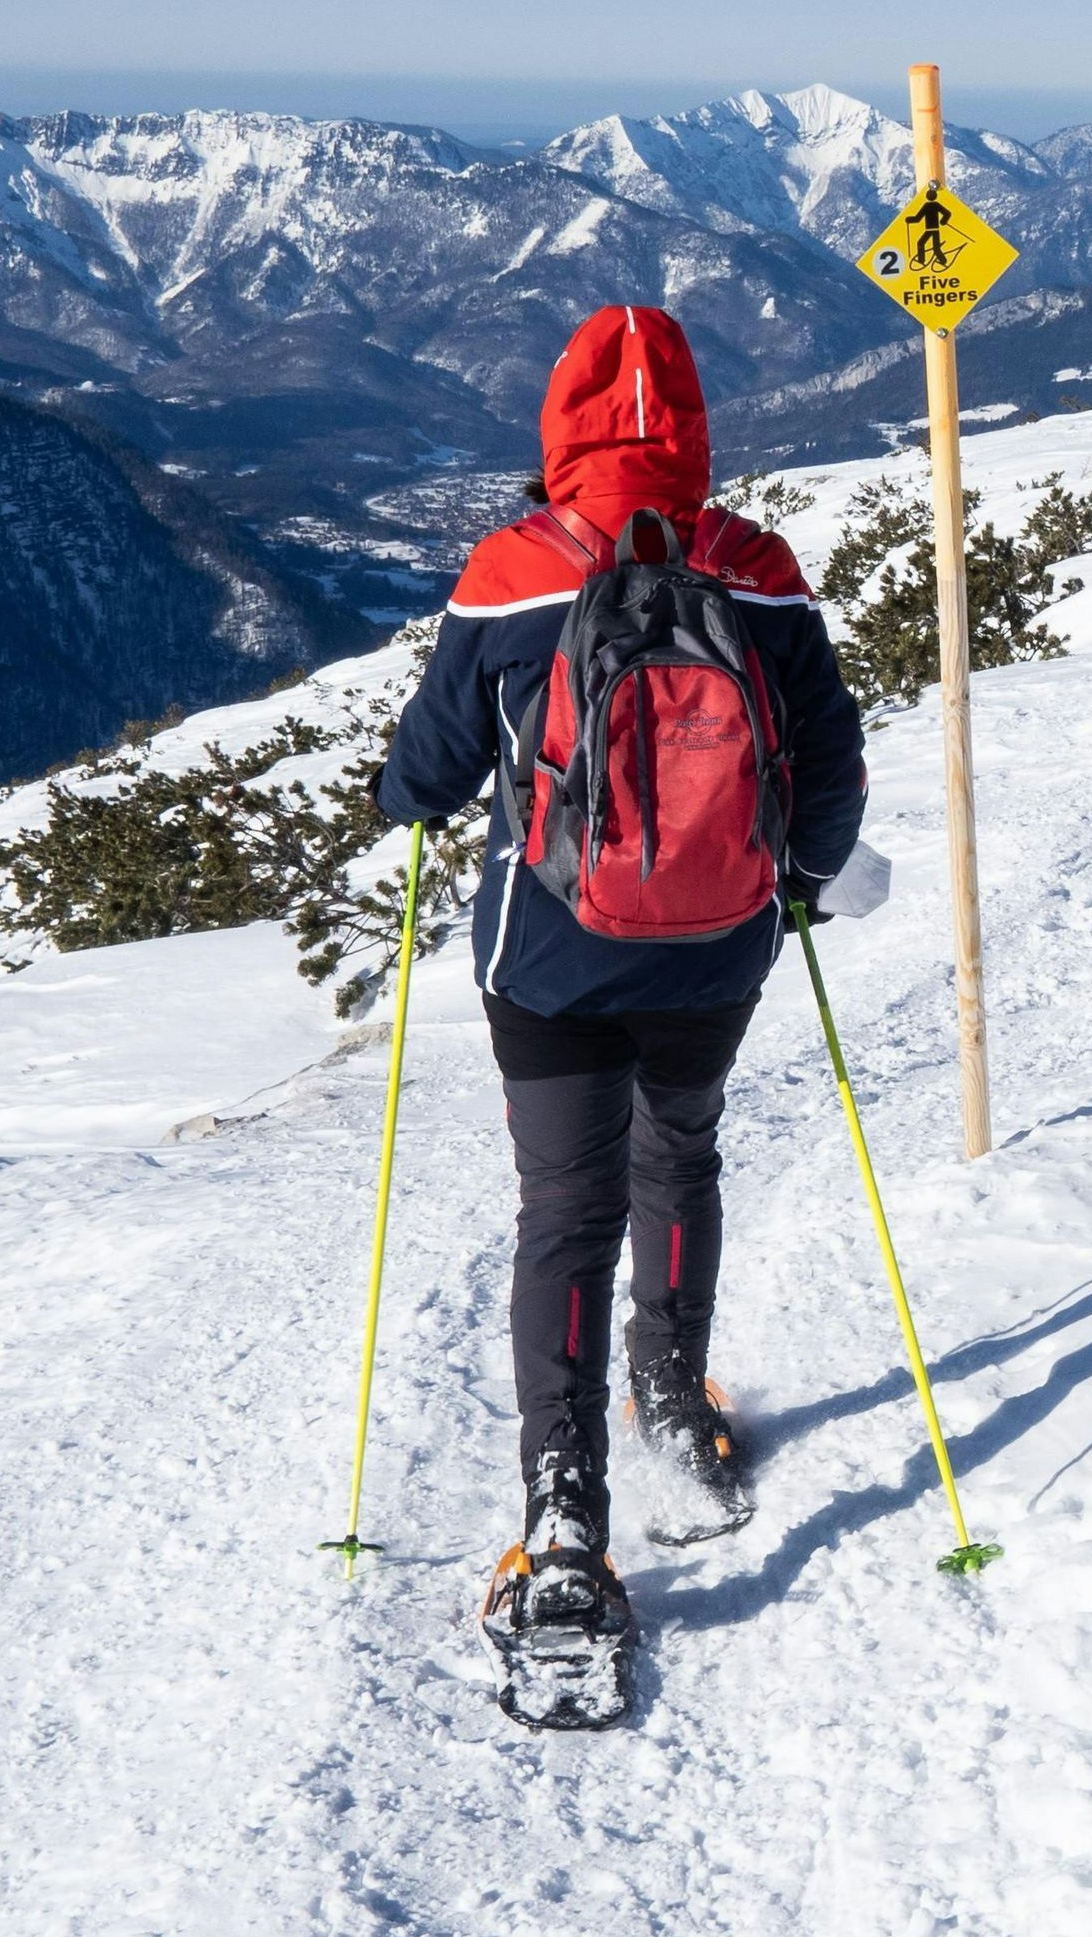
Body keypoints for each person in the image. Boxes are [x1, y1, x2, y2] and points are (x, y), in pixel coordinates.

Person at [376, 303, 868, 1597]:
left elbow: (424, 770)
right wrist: (797, 884)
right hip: (716, 951)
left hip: (548, 959)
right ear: (696, 431)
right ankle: (674, 1404)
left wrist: (414, 798)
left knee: (566, 1211)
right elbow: (832, 766)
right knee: (679, 1155)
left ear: (562, 428)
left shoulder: (513, 570)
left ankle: (566, 1501)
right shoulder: (755, 567)